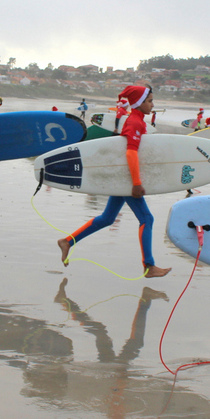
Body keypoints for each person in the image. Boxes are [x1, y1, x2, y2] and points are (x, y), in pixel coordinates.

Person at [57, 84, 172, 279]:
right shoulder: (134, 122)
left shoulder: (137, 120)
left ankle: (67, 242)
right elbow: (130, 152)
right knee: (147, 219)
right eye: (150, 101)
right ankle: (149, 266)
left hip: (122, 177)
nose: (153, 105)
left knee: (107, 218)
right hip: (127, 179)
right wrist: (136, 183)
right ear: (139, 103)